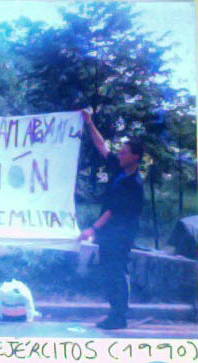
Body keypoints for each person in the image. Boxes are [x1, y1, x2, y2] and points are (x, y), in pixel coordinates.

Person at [77, 109, 144, 330]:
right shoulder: (121, 171)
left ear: (135, 157)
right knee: (110, 272)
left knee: (117, 272)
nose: (120, 155)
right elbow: (102, 147)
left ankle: (119, 316)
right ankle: (114, 313)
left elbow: (113, 210)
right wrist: (89, 122)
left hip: (121, 234)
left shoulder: (133, 183)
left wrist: (92, 230)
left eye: (124, 153)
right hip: (111, 234)